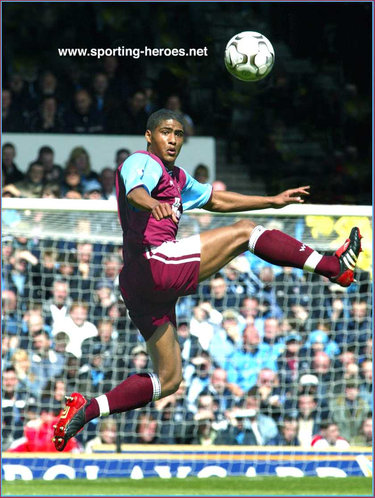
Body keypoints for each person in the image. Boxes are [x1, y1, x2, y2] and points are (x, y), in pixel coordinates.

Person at [53, 108, 362, 451]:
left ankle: (87, 409)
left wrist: (271, 201)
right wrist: (152, 203)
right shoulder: (141, 162)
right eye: (165, 132)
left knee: (170, 380)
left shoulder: (179, 177)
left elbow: (215, 198)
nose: (172, 139)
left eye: (178, 134)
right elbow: (134, 191)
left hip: (140, 286)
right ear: (149, 136)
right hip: (154, 261)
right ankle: (334, 268)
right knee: (245, 233)